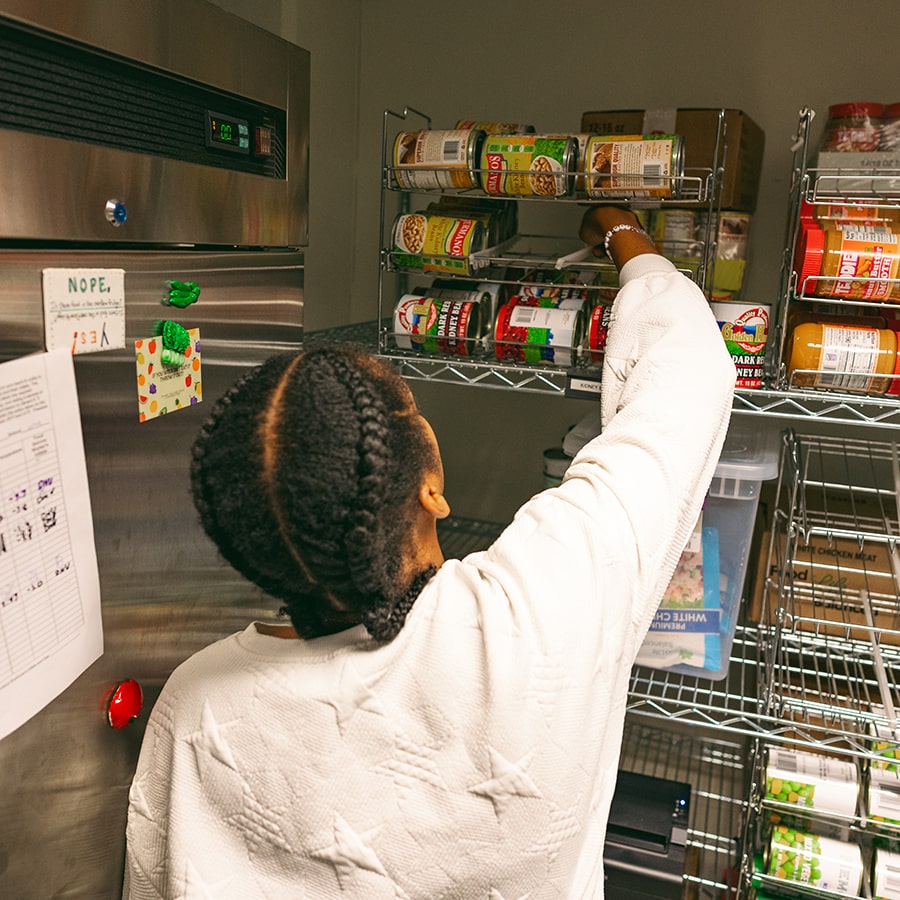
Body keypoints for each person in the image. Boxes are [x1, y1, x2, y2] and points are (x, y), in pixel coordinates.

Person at [123, 205, 736, 899]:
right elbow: (686, 381)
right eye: (411, 410)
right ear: (432, 490)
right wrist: (627, 237)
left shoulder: (193, 705)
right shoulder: (540, 614)